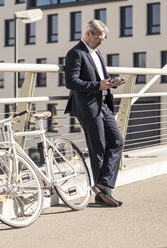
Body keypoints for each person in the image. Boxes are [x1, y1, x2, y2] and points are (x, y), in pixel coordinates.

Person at [64, 19, 126, 207]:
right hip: (88, 107)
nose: (101, 41)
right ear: (88, 34)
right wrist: (97, 86)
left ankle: (102, 186)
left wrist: (111, 82)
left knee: (117, 141)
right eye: (99, 37)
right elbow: (71, 82)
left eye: (103, 39)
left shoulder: (96, 53)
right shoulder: (75, 53)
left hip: (104, 104)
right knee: (98, 148)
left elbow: (99, 79)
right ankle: (103, 193)